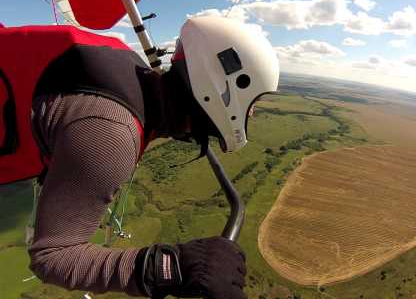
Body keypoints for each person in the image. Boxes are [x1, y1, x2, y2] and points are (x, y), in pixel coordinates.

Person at [0, 16, 279, 298]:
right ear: (225, 86)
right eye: (253, 103)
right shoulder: (111, 133)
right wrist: (173, 266)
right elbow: (52, 256)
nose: (252, 114)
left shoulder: (131, 72)